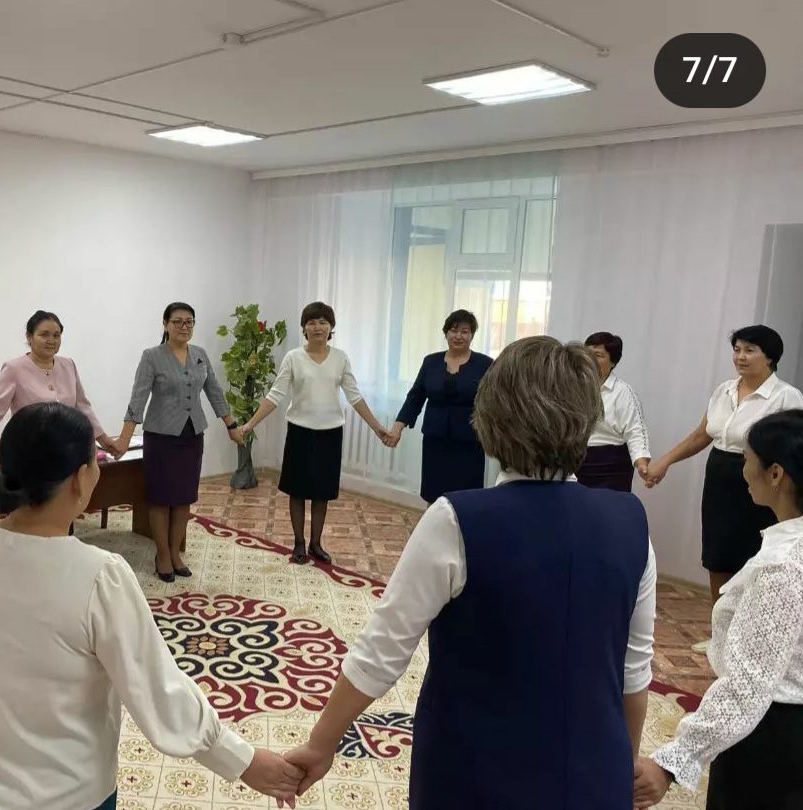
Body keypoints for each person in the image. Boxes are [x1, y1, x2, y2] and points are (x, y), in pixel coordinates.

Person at [283, 336, 657, 810]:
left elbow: (383, 650)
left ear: (492, 417)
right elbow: (633, 671)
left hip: (473, 770)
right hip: (593, 771)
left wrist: (321, 743)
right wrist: (622, 763)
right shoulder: (631, 523)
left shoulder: (456, 519)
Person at [0, 402, 301, 810]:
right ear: (80, 479)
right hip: (67, 793)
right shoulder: (99, 576)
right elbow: (158, 690)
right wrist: (243, 760)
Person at [635, 409, 803, 810]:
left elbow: (747, 689)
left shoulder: (783, 568)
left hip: (773, 738)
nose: (742, 471)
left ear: (775, 474)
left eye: (746, 460)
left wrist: (670, 763)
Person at [646, 325, 803, 652]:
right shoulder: (724, 391)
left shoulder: (787, 397)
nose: (740, 357)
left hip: (762, 479)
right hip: (720, 475)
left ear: (770, 357)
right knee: (718, 554)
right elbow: (702, 435)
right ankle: (721, 636)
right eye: (737, 350)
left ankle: (751, 638)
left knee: (753, 555)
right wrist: (666, 461)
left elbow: (792, 447)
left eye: (749, 350)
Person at [239, 302, 390, 564]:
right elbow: (275, 395)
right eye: (311, 322)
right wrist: (249, 424)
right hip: (299, 433)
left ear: (331, 327)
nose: (317, 327)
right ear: (304, 328)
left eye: (323, 322)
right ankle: (298, 543)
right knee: (297, 490)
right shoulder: (293, 357)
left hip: (330, 434)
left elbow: (354, 396)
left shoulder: (340, 358)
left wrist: (377, 427)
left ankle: (315, 544)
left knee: (322, 492)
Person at [0, 310, 120, 535]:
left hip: (65, 454)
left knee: (62, 509)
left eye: (56, 335)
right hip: (30, 455)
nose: (51, 340)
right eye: (44, 335)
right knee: (30, 512)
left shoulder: (68, 365)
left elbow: (82, 405)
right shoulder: (14, 368)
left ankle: (61, 543)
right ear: (29, 337)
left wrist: (102, 438)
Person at [114, 303, 241, 582]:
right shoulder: (152, 356)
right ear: (165, 324)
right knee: (160, 497)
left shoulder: (200, 354)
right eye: (178, 321)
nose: (184, 327)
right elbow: (138, 398)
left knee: (184, 496)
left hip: (192, 435)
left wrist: (231, 425)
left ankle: (175, 552)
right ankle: (162, 554)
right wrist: (124, 439)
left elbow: (215, 391)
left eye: (189, 322)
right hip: (161, 437)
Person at [389, 309, 493, 502]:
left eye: (464, 331)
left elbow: (494, 401)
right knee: (434, 493)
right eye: (454, 330)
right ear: (446, 333)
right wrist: (397, 427)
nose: (458, 336)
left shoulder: (485, 364)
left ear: (472, 335)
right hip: (435, 439)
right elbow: (415, 397)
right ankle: (435, 521)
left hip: (469, 441)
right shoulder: (431, 362)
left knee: (466, 496)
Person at [578, 331, 651, 491]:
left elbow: (636, 431)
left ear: (613, 362)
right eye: (587, 354)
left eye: (598, 355)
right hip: (577, 462)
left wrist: (641, 462)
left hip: (611, 465)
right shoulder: (573, 388)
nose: (590, 360)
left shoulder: (623, 392)